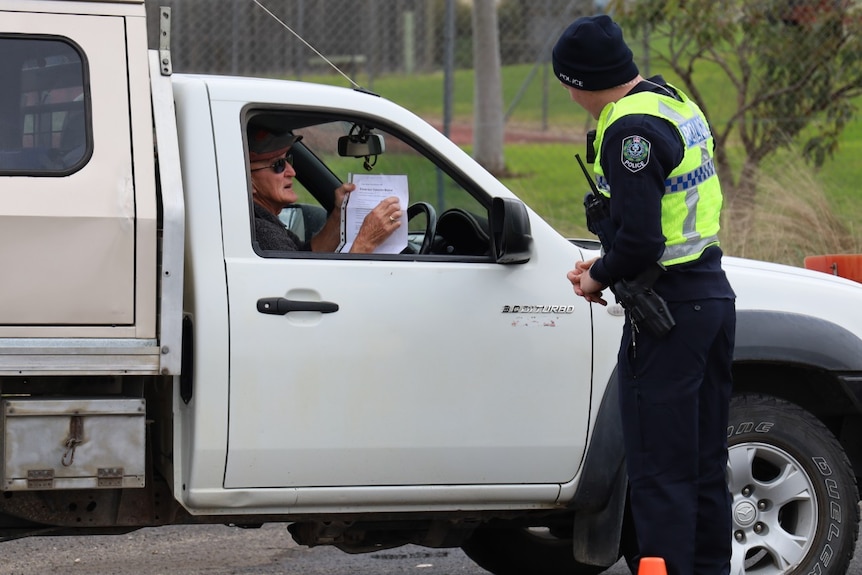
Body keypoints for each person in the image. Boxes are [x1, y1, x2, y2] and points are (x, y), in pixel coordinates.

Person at [554, 15, 737, 575]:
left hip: (668, 313)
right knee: (704, 463)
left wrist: (597, 276)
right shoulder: (670, 101)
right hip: (708, 296)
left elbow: (641, 240)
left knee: (659, 471)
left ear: (576, 83)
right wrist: (613, 260)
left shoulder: (629, 132)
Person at [247, 123, 402, 253]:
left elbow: (308, 255)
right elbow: (306, 284)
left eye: (288, 160)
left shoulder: (264, 223)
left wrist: (339, 213)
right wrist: (366, 242)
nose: (292, 172)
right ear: (249, 180)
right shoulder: (263, 233)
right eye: (278, 165)